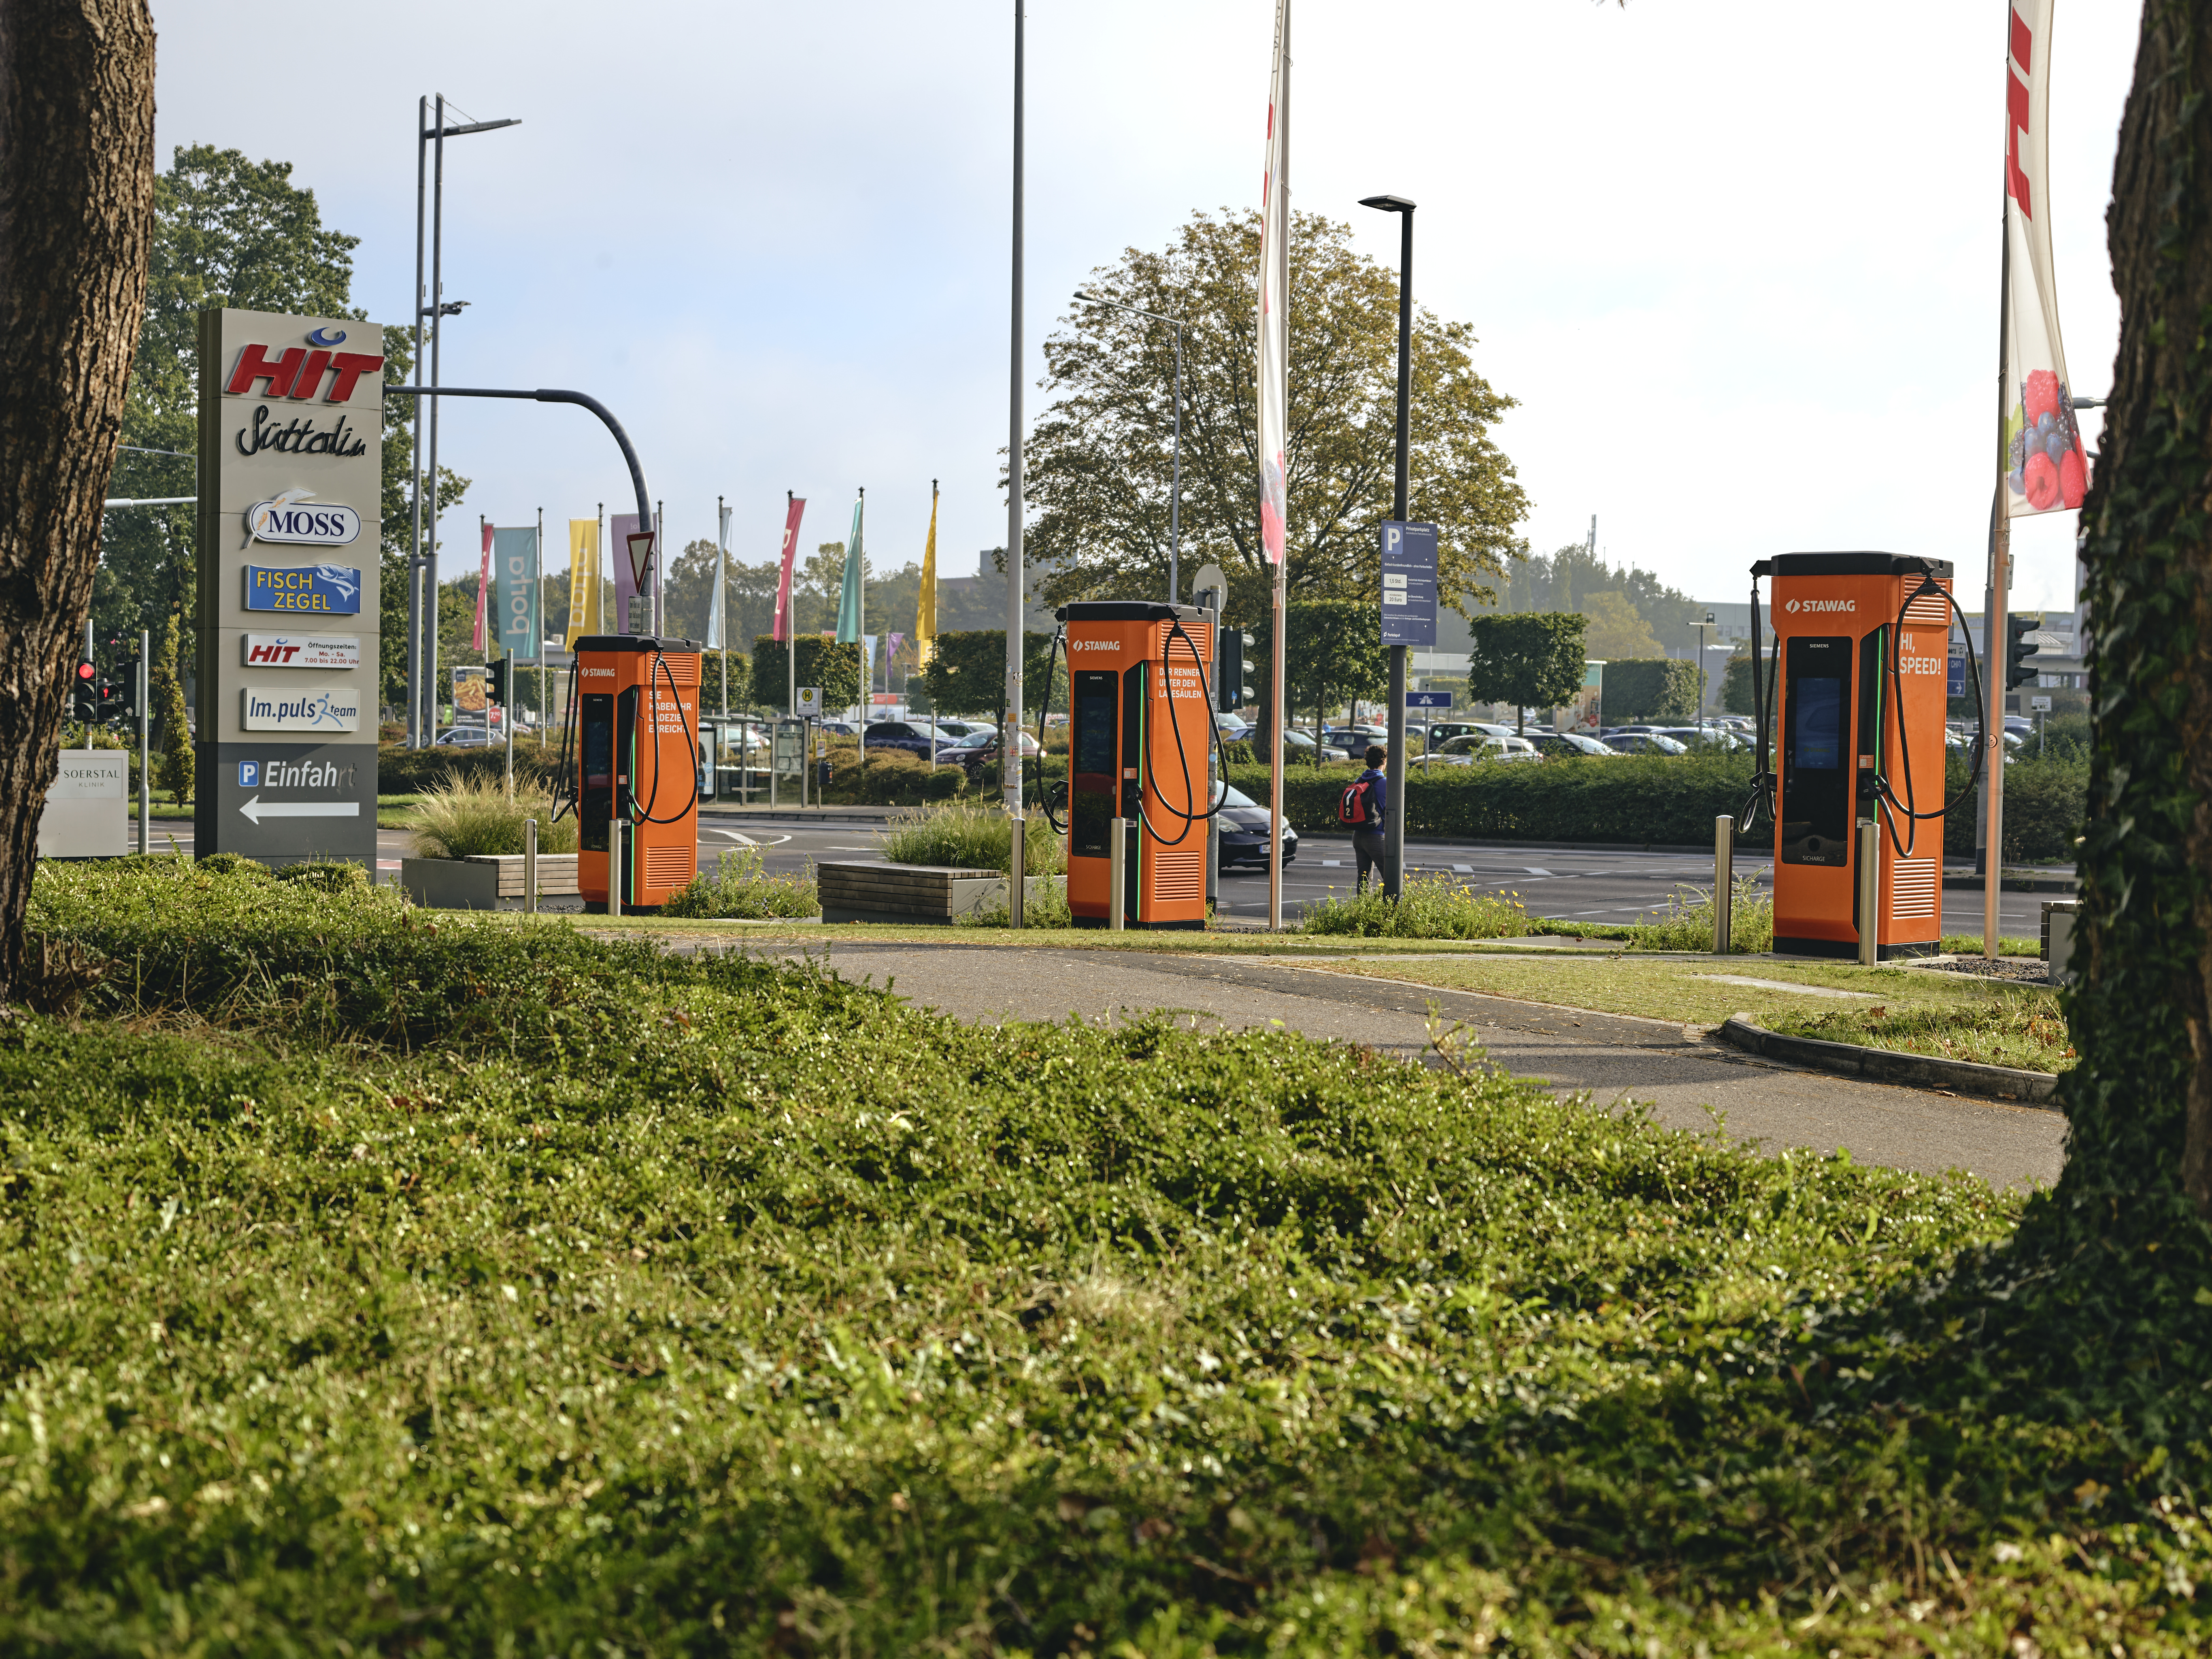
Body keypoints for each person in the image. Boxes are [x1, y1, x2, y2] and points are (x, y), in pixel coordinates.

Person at [1353, 744, 1389, 892]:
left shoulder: (1359, 781)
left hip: (1358, 836)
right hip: (1376, 837)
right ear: (1384, 761)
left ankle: (1363, 911)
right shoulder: (1386, 783)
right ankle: (1394, 911)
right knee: (1393, 877)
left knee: (1364, 880)